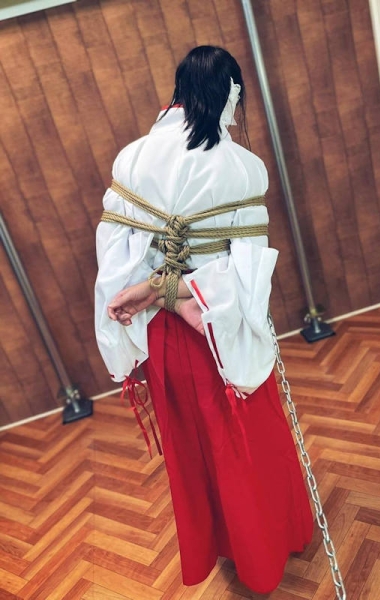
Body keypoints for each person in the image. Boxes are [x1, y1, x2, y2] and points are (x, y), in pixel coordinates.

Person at [94, 45, 313, 593]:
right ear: (232, 94)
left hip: (165, 331)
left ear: (178, 90)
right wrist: (181, 289)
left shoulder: (133, 159)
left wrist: (155, 289)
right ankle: (263, 552)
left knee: (192, 451)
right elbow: (245, 272)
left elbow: (118, 252)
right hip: (218, 325)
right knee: (245, 441)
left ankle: (220, 544)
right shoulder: (241, 168)